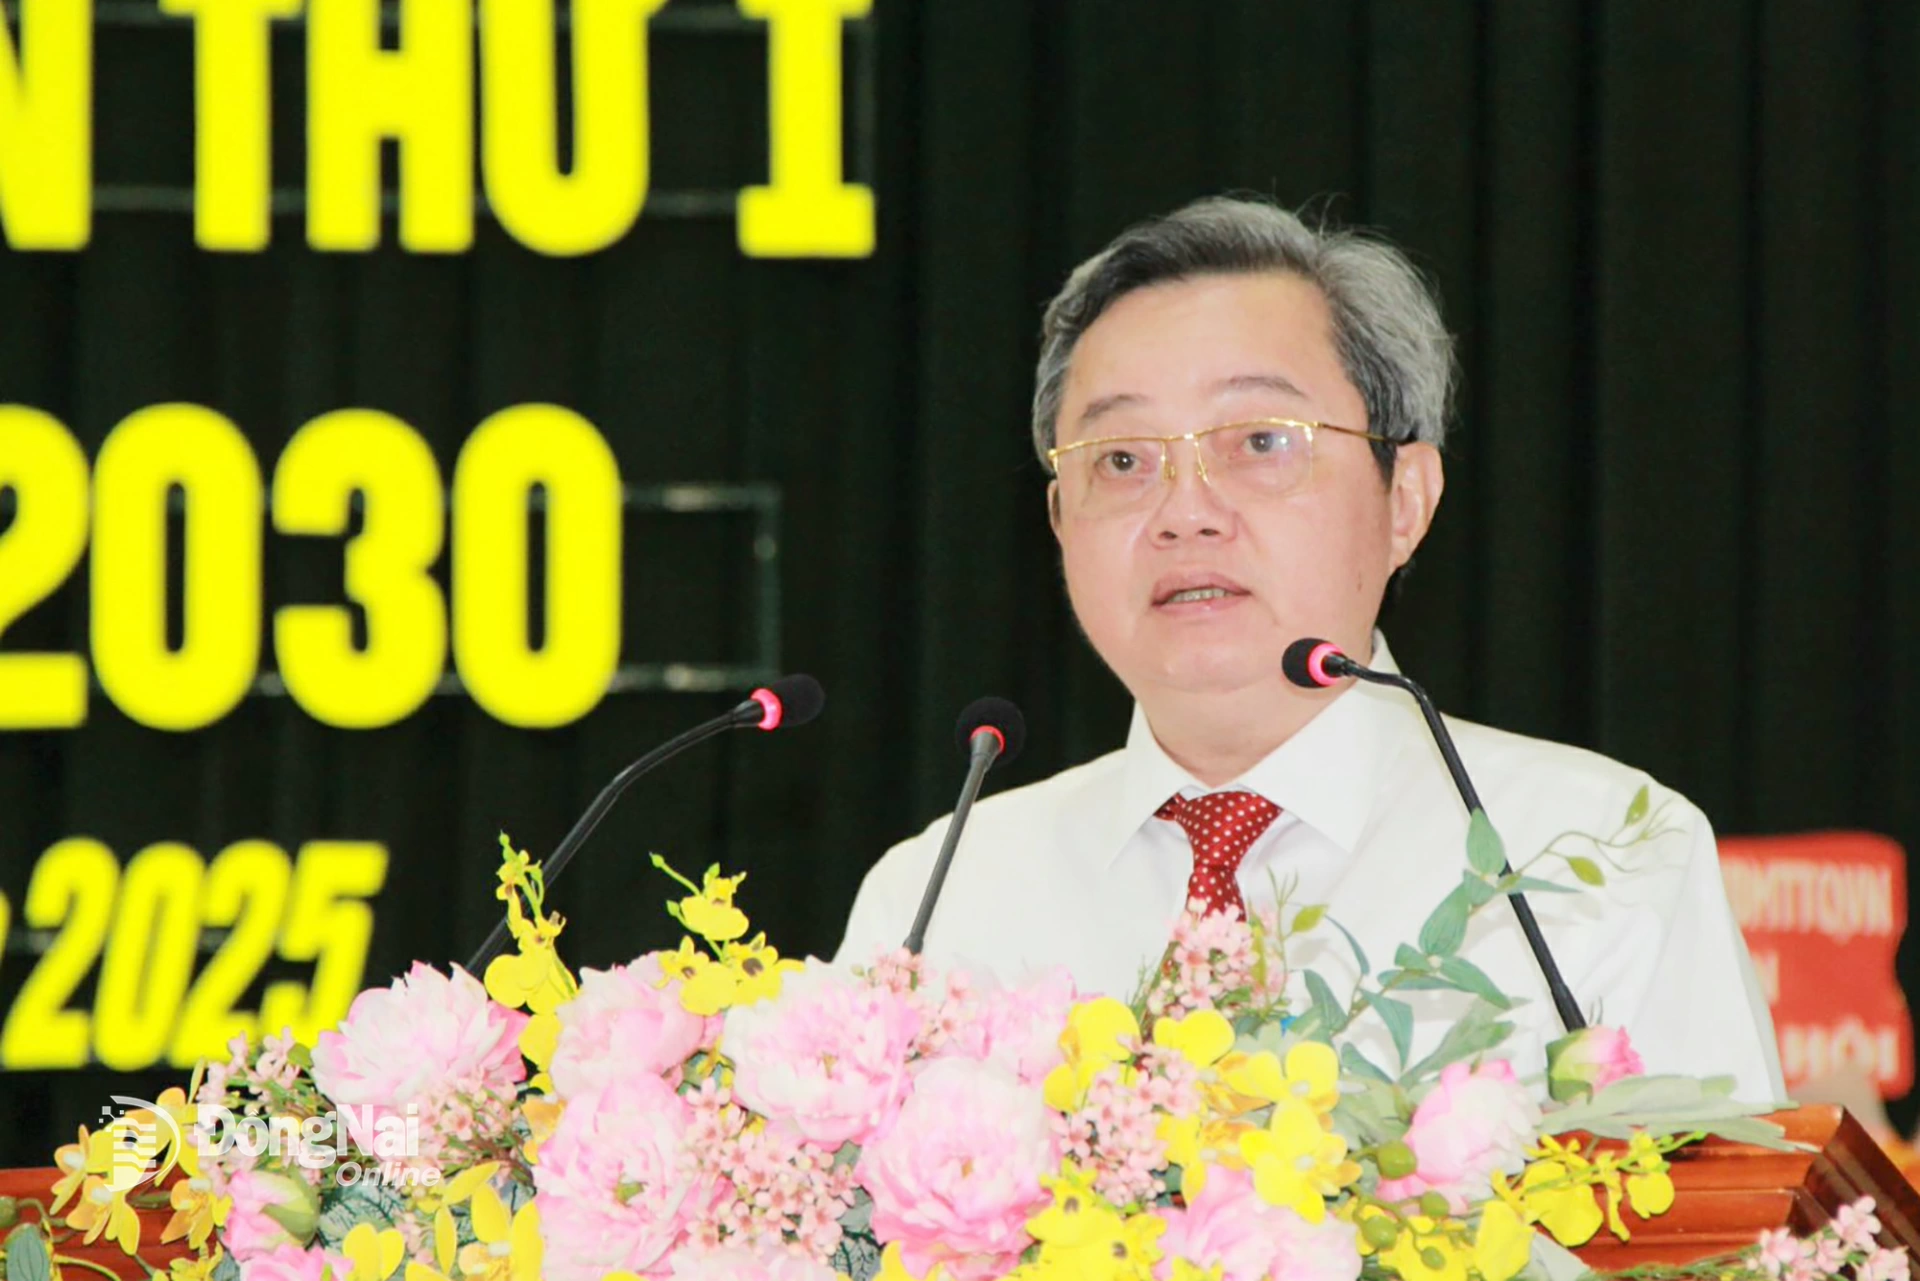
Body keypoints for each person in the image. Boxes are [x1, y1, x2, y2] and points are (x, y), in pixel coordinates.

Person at [835, 196, 1784, 1103]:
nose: (1185, 512)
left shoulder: (1603, 858)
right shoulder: (939, 897)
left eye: (1259, 440)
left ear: (1404, 499)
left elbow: (1729, 1253)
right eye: (1121, 459)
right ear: (1058, 518)